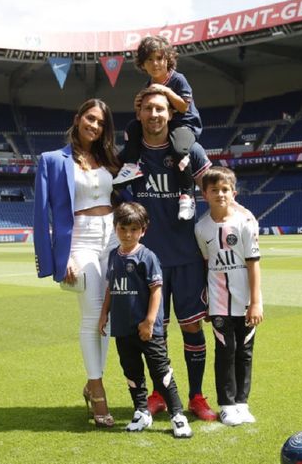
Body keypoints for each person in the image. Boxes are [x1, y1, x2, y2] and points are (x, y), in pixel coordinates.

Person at [119, 86, 218, 421]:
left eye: (160, 109)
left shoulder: (192, 150)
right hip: (149, 262)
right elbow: (116, 193)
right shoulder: (132, 157)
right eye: (148, 109)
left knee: (192, 328)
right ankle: (159, 394)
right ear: (139, 114)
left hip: (188, 258)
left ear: (170, 113)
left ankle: (197, 397)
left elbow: (215, 188)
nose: (154, 115)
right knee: (152, 333)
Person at [33, 98, 120, 428]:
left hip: (112, 236)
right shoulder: (52, 161)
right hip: (79, 241)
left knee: (109, 316)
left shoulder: (110, 158)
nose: (94, 125)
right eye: (90, 118)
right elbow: (42, 215)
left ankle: (92, 381)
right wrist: (60, 257)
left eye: (100, 122)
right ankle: (97, 390)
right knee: (92, 313)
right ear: (78, 118)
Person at [98, 202, 193, 438]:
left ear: (143, 230)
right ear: (115, 228)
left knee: (161, 373)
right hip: (122, 327)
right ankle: (141, 412)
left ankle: (177, 415)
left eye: (134, 229)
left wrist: (149, 321)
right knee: (132, 373)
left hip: (148, 329)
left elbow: (156, 290)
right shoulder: (113, 256)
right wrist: (104, 314)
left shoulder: (147, 256)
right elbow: (111, 288)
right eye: (123, 229)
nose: (128, 234)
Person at [194, 166, 263, 426]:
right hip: (218, 301)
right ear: (205, 195)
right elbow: (205, 264)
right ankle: (226, 404)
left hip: (245, 301)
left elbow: (253, 263)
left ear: (233, 193)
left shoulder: (245, 223)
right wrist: (207, 303)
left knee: (244, 351)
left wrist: (256, 302)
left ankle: (242, 403)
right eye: (214, 190)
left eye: (225, 190)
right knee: (225, 351)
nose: (220, 194)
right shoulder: (201, 228)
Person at [115, 35, 202, 221]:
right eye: (150, 59)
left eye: (160, 58)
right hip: (164, 127)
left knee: (179, 151)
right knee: (132, 127)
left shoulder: (178, 80)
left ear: (168, 59)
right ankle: (131, 165)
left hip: (184, 126)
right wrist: (137, 104)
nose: (155, 63)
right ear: (142, 64)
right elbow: (143, 114)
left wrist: (166, 91)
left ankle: (187, 195)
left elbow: (183, 107)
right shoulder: (148, 85)